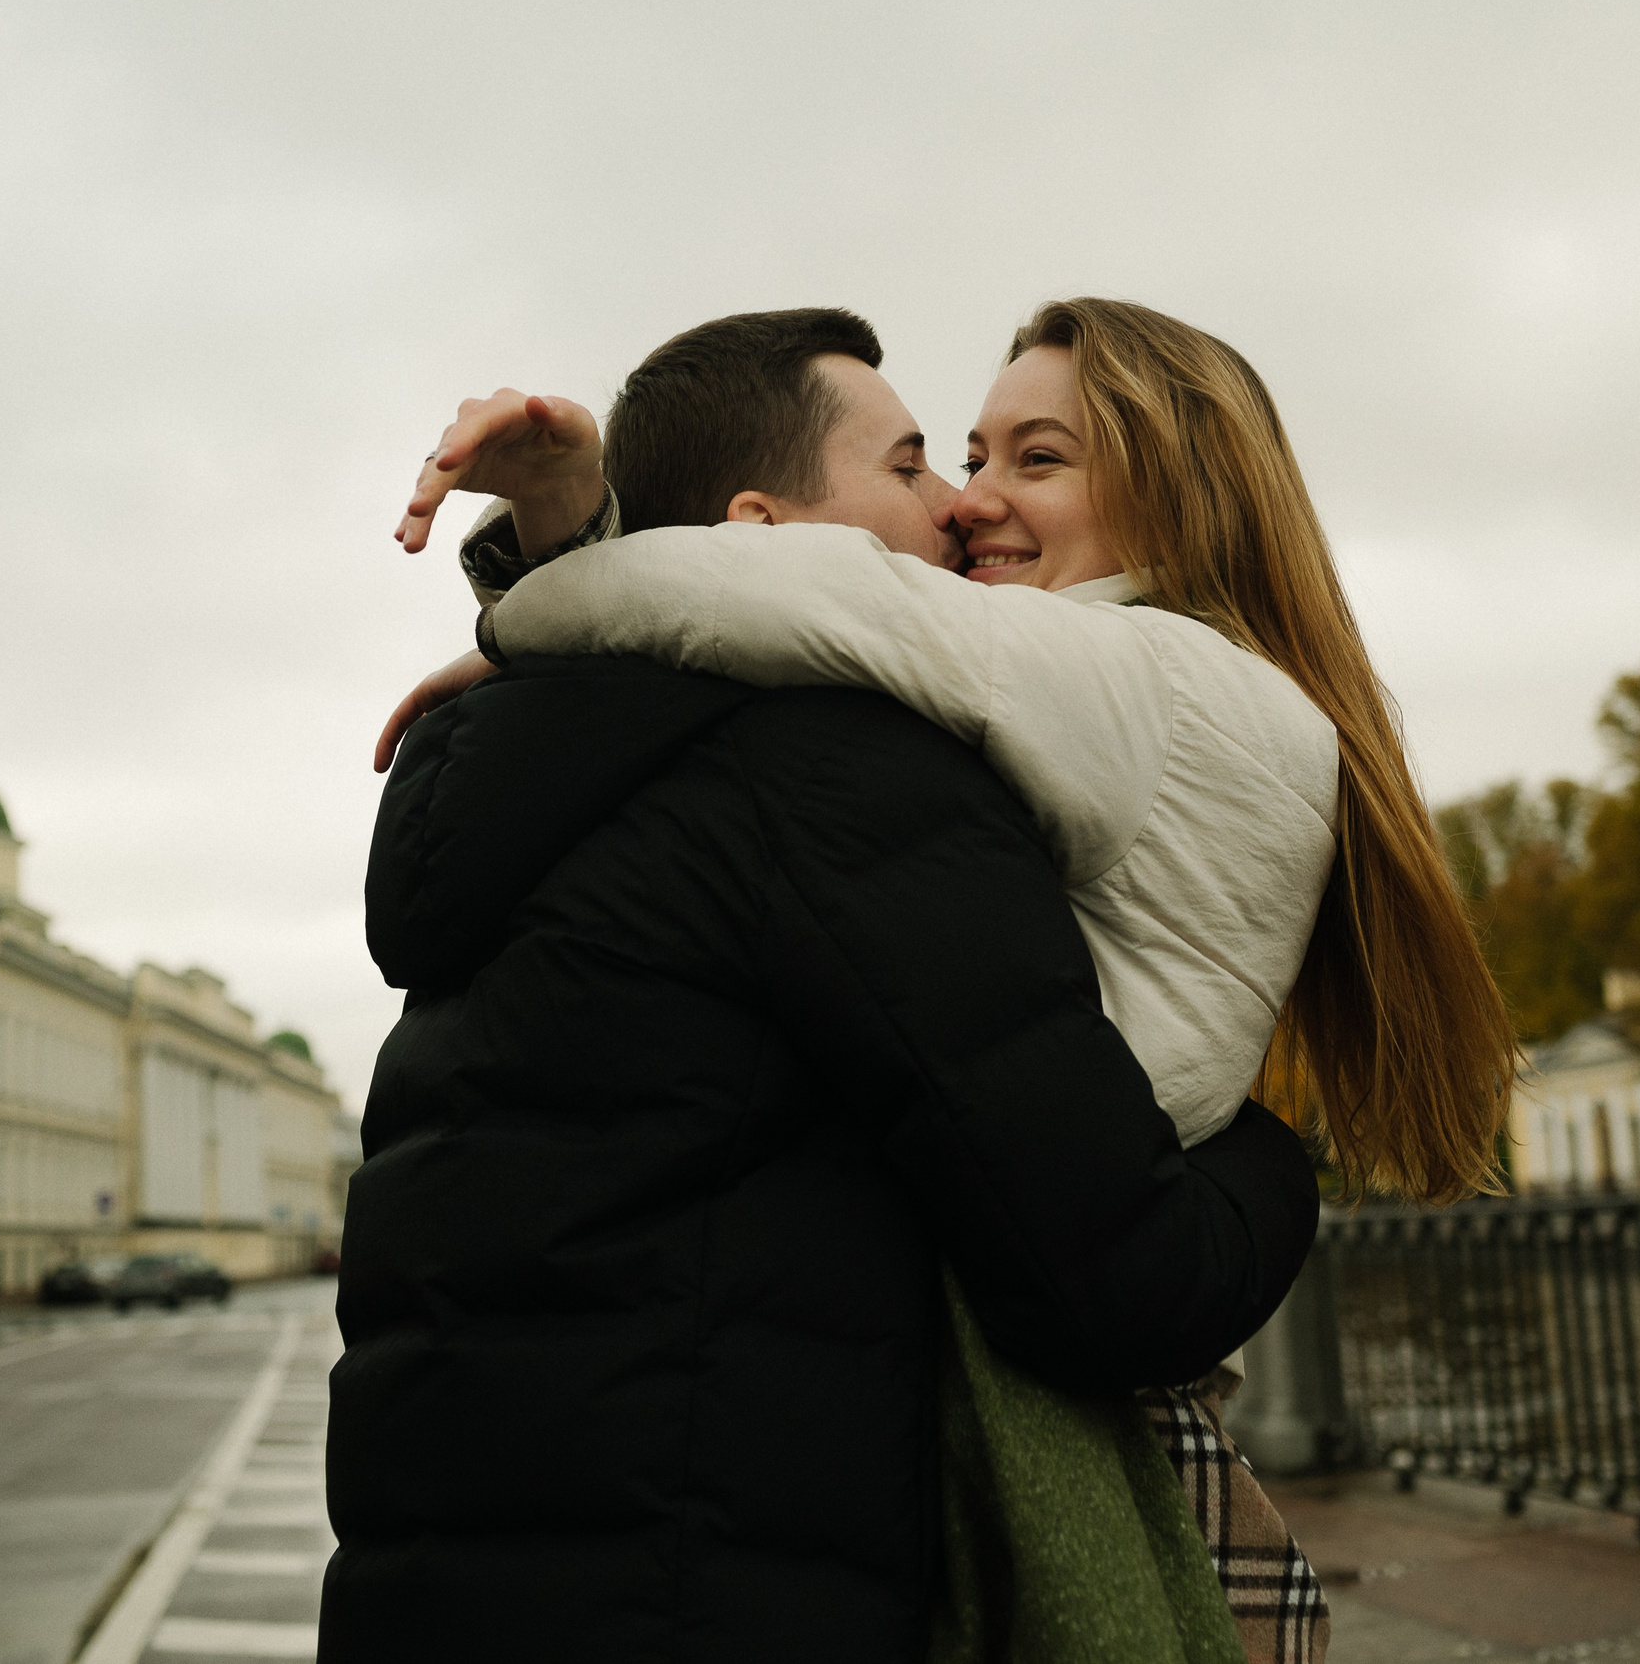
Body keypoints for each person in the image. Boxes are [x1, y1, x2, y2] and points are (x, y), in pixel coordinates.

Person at [388, 299, 1519, 1664]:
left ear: (1186, 498)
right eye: (949, 459)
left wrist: (544, 608)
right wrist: (1275, 1165)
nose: (969, 502)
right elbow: (1123, 1268)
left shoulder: (1139, 680)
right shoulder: (872, 761)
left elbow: (829, 598)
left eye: (1034, 459)